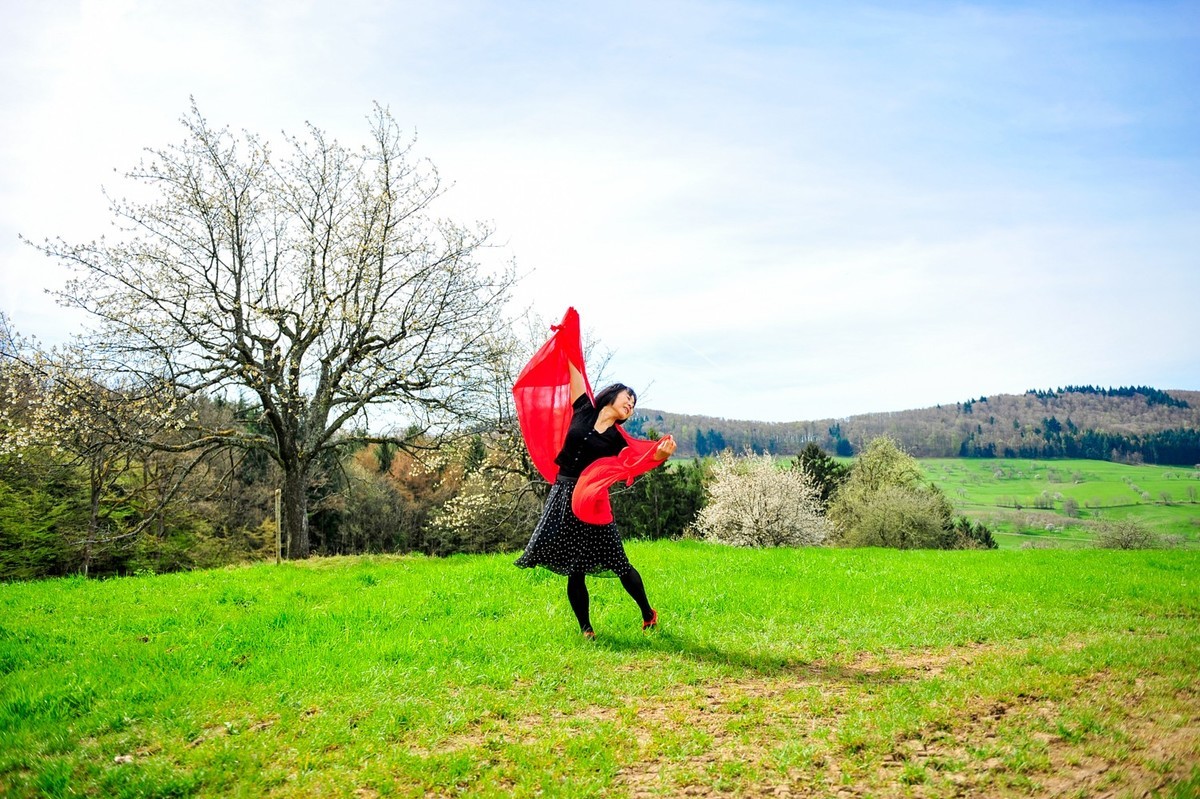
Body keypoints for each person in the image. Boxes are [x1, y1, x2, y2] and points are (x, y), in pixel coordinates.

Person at [515, 358, 677, 639]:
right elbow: (574, 366)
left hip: (593, 502)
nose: (631, 404)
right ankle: (586, 629)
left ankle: (648, 614)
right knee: (574, 567)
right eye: (629, 397)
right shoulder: (583, 409)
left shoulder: (618, 440)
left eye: (634, 405)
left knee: (619, 562)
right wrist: (568, 334)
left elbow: (636, 463)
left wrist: (659, 456)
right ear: (613, 394)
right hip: (564, 494)